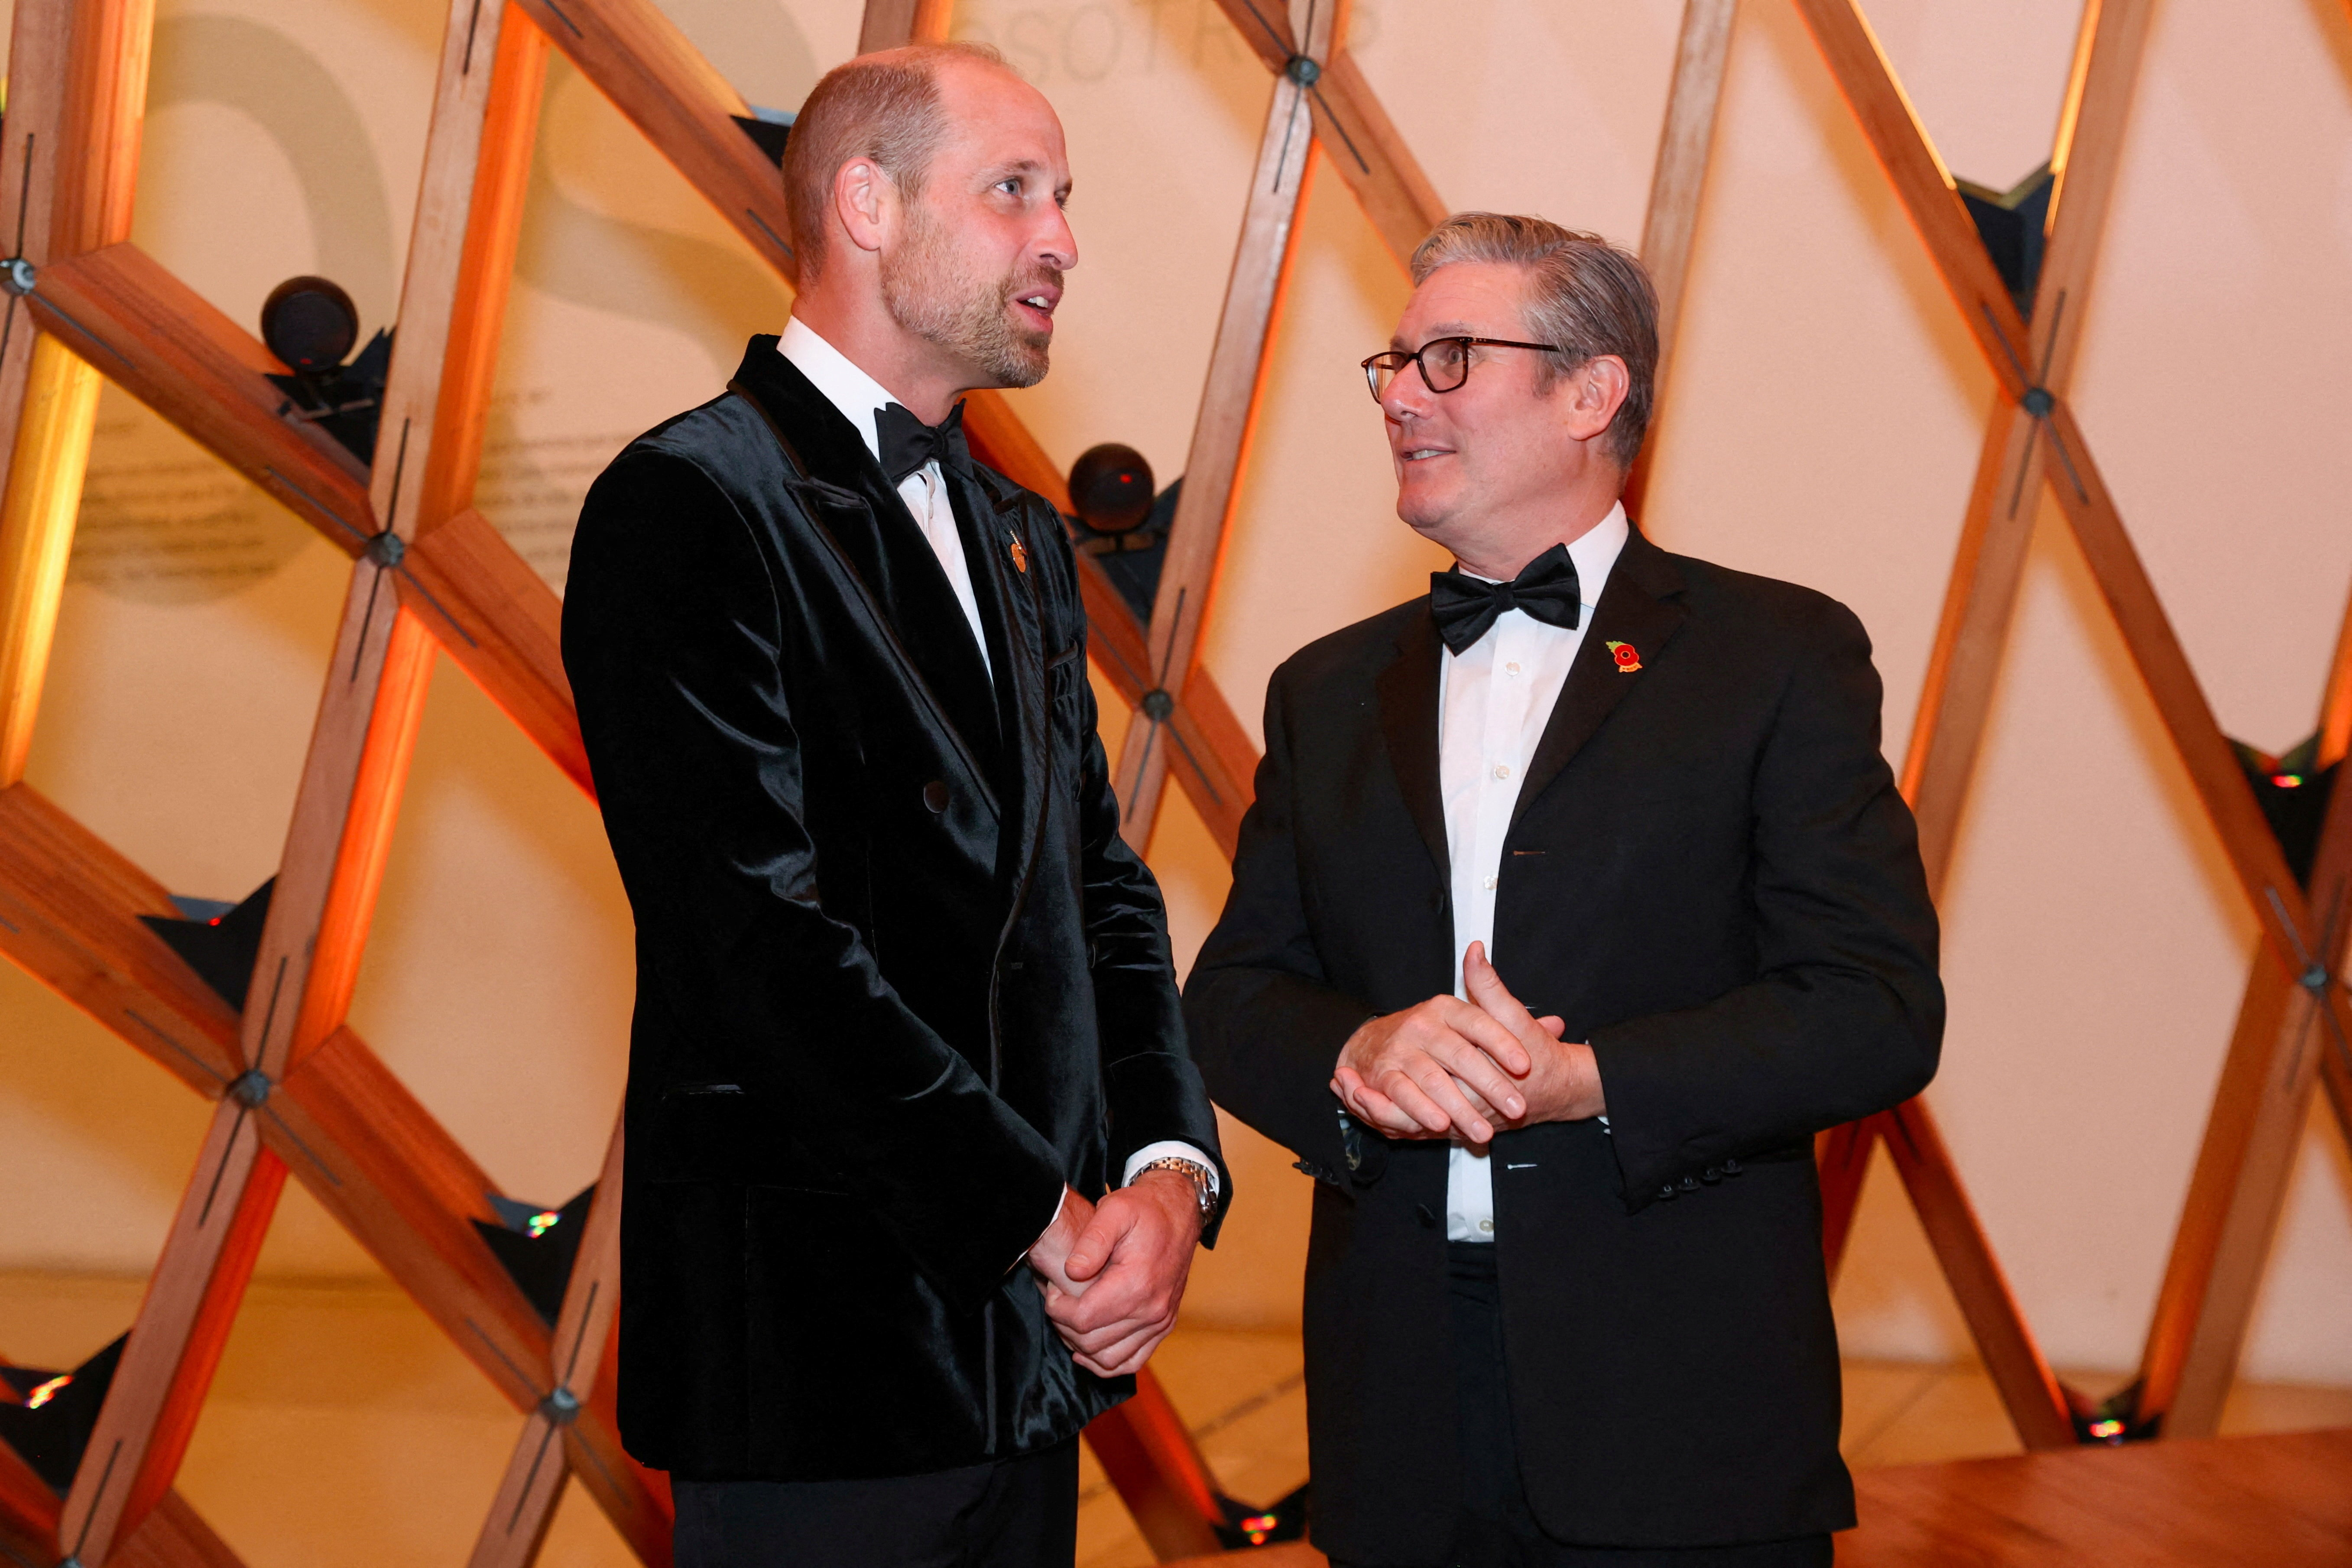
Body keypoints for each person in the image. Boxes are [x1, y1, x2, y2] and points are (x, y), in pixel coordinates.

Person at [1184, 214, 1942, 1568]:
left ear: (1595, 393)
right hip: (1398, 1416)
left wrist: (1593, 1081)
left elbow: (1876, 1005)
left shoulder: (1778, 655)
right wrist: (1356, 1051)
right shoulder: (1326, 688)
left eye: (1452, 357)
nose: (1403, 394)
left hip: (1679, 1410)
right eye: (1397, 363)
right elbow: (1234, 997)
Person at [561, 42, 1228, 1568]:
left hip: (1030, 1371)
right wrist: (1046, 1222)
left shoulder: (1017, 534)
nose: (1061, 238)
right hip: (815, 1373)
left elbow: (1096, 887)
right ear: (867, 203)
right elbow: (755, 949)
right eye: (1014, 193)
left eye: (1064, 198)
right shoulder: (690, 503)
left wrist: (1166, 1172)